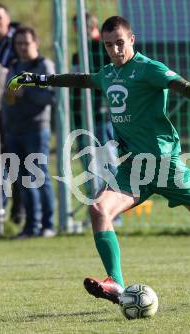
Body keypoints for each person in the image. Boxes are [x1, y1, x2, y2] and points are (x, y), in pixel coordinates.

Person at [7, 16, 190, 303]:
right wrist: (41, 79)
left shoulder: (149, 69)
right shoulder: (109, 73)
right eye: (109, 45)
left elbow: (183, 86)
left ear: (131, 39)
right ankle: (116, 284)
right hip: (133, 167)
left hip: (166, 166)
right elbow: (84, 80)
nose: (115, 50)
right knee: (98, 210)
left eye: (120, 43)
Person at [3, 26, 56, 238]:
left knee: (39, 177)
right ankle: (30, 226)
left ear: (36, 43)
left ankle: (47, 225)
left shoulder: (43, 65)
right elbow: (8, 96)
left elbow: (50, 98)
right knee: (23, 181)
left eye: (26, 43)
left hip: (36, 129)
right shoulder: (14, 66)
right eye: (18, 44)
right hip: (14, 130)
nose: (22, 48)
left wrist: (26, 92)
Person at [71, 13, 121, 226]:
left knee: (108, 164)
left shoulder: (102, 50)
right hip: (81, 118)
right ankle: (97, 210)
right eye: (76, 27)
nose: (78, 31)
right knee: (89, 166)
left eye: (81, 27)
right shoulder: (76, 56)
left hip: (101, 117)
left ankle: (114, 212)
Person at [0, 2, 24, 225]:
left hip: (18, 112)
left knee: (18, 163)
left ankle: (19, 210)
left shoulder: (17, 42)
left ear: (7, 20)